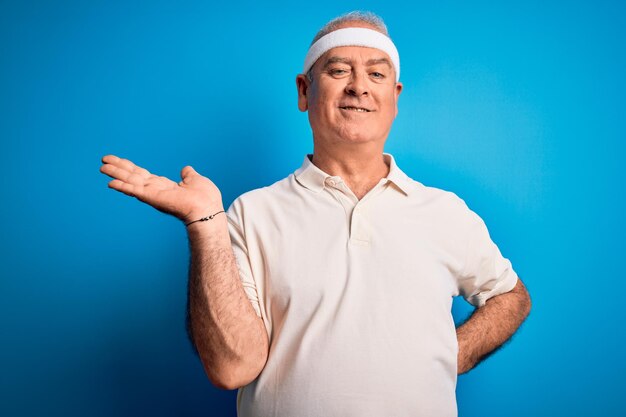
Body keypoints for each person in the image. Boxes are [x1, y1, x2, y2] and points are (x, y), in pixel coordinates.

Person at [100, 11, 531, 417]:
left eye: (377, 74)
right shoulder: (252, 214)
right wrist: (205, 222)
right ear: (305, 91)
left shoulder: (445, 212)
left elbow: (511, 295)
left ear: (394, 97)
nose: (359, 87)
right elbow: (232, 369)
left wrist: (450, 353)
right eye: (339, 70)